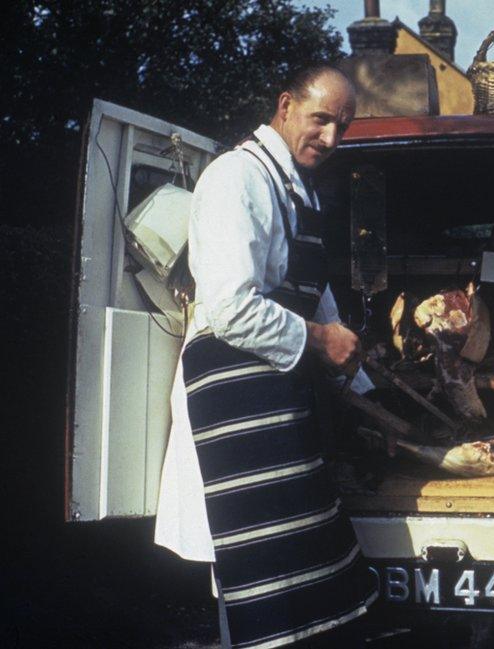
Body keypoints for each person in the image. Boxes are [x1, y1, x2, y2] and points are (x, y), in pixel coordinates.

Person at [153, 65, 380, 648]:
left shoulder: (296, 188)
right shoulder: (237, 177)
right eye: (321, 119)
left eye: (343, 127)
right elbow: (229, 306)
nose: (331, 138)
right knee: (253, 595)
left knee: (302, 590)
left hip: (276, 402)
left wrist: (366, 392)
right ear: (285, 106)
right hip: (235, 409)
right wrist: (323, 342)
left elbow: (313, 295)